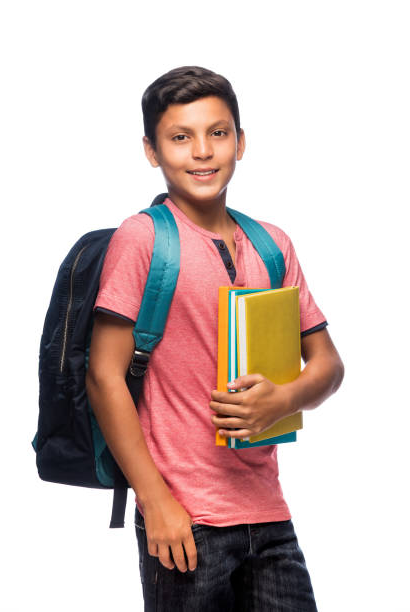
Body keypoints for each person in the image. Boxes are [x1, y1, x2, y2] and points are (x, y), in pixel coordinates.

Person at [86, 65, 345, 611]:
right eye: (180, 137)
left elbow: (327, 365)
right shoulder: (144, 238)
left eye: (218, 133)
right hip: (185, 518)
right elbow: (104, 374)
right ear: (152, 151)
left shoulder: (272, 243)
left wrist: (284, 397)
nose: (202, 151)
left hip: (269, 514)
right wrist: (154, 502)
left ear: (241, 141)